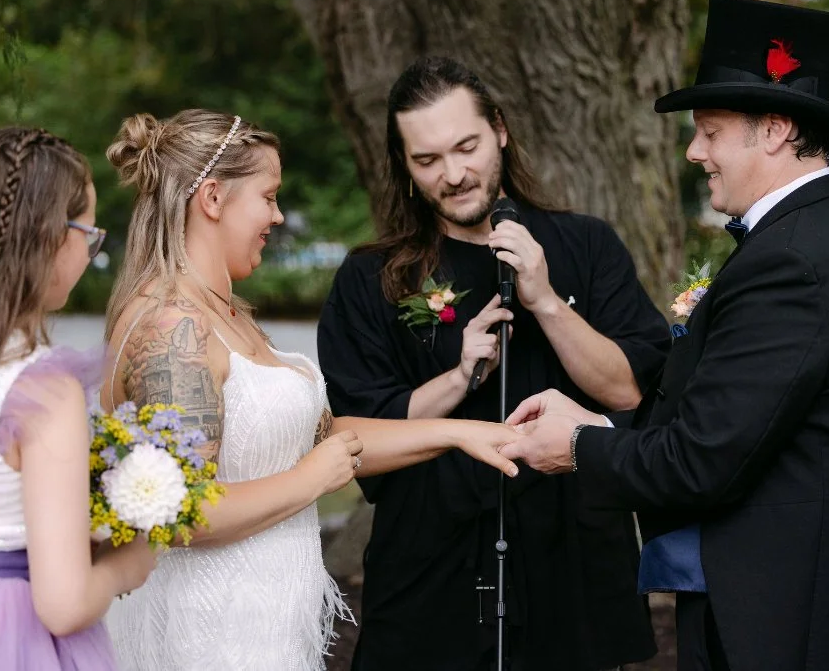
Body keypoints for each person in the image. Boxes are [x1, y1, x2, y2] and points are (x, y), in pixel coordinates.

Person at [501, 0, 829, 671]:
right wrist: (598, 425)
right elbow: (736, 424)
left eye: (710, 132)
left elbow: (702, 461)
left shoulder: (795, 261)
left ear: (773, 129)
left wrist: (576, 448)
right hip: (790, 593)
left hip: (778, 618)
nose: (695, 152)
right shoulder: (818, 234)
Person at [100, 109, 522, 670]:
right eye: (269, 196)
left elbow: (332, 442)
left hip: (266, 628)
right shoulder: (170, 327)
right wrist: (309, 480)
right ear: (213, 198)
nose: (277, 215)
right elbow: (177, 514)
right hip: (207, 634)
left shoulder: (226, 316)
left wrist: (463, 432)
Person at [317, 56, 671, 670]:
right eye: (427, 160)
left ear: (501, 131)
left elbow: (630, 392)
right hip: (432, 574)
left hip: (572, 567)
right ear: (403, 165)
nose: (453, 174)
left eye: (467, 147)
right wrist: (457, 379)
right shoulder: (370, 279)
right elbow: (358, 441)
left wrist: (546, 302)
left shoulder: (586, 245)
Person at [0, 128, 157, 670]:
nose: (91, 250)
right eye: (89, 235)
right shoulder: (42, 390)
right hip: (3, 638)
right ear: (53, 237)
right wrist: (132, 562)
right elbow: (64, 604)